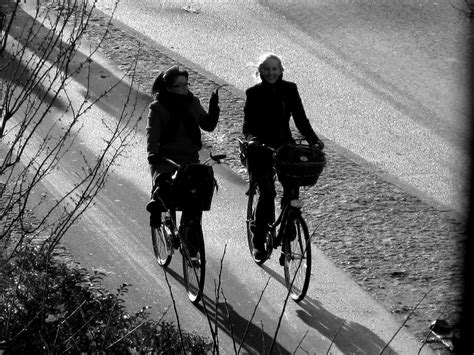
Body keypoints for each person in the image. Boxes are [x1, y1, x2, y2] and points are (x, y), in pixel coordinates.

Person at [242, 53, 324, 260]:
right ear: (260, 72)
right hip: (260, 147)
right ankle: (259, 238)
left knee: (293, 186)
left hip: (284, 144)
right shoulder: (253, 93)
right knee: (268, 193)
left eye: (274, 69)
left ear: (281, 70)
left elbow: (300, 119)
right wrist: (252, 140)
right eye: (267, 69)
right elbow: (248, 126)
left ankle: (290, 221)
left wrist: (313, 140)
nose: (271, 73)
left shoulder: (290, 89)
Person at [146, 65, 219, 255]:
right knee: (164, 186)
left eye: (186, 85)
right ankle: (156, 207)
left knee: (195, 198)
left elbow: (208, 125)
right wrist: (153, 154)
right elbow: (152, 135)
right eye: (180, 86)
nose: (185, 89)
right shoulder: (158, 107)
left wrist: (214, 107)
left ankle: (192, 246)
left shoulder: (191, 102)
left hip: (189, 159)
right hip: (165, 160)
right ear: (169, 88)